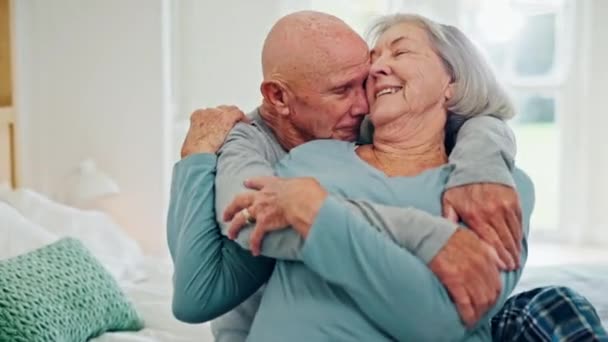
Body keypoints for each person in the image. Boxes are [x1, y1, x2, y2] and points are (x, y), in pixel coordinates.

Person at [168, 11, 607, 342]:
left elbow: (440, 321)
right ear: (278, 97)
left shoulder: (494, 186)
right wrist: (423, 236)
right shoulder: (305, 156)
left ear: (452, 80)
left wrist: (320, 214)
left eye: (399, 52)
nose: (370, 82)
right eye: (352, 82)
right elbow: (207, 282)